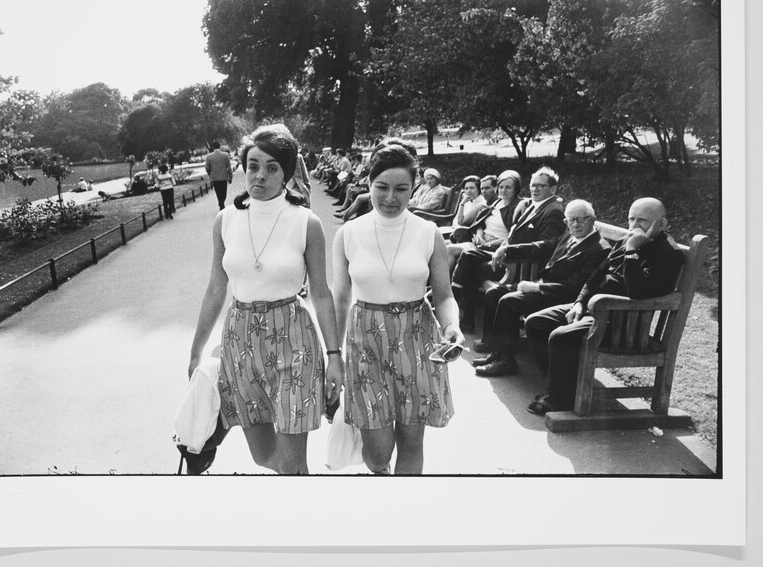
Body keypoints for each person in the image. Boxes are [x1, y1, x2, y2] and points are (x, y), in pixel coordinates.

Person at [187, 124, 342, 474]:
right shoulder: (225, 220)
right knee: (263, 456)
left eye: (272, 168)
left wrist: (335, 356)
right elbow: (215, 289)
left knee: (293, 460)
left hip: (293, 340)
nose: (260, 175)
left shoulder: (306, 222)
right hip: (240, 340)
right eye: (253, 165)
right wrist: (196, 350)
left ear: (287, 174)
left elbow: (321, 292)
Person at [331, 141, 462, 475]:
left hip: (416, 338)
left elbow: (444, 295)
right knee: (377, 451)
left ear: (413, 188)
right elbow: (340, 299)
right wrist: (333, 353)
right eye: (382, 188)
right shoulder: (348, 234)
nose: (391, 198)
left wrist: (453, 327)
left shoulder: (428, 233)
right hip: (365, 343)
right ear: (369, 184)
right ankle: (380, 472)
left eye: (401, 189)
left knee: (411, 441)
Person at [523, 197, 684, 415]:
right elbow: (595, 276)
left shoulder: (667, 254)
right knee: (536, 323)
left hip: (623, 324)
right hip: (596, 309)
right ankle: (563, 384)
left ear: (662, 224)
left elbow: (637, 292)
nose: (635, 226)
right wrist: (579, 303)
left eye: (643, 221)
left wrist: (632, 251)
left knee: (560, 336)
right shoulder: (627, 240)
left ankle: (559, 399)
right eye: (631, 219)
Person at [472, 199, 611, 377]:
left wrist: (536, 288)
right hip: (544, 286)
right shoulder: (569, 234)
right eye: (571, 220)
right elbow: (543, 246)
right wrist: (507, 250)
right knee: (493, 293)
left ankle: (506, 361)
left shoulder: (600, 249)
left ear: (593, 219)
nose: (575, 224)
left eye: (581, 219)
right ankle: (498, 351)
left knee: (508, 302)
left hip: (562, 297)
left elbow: (576, 287)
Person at [449, 169, 531, 330]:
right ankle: (465, 320)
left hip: (500, 252)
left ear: (516, 189)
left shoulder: (519, 207)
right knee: (469, 265)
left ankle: (455, 299)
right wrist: (479, 235)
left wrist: (487, 245)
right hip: (482, 246)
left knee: (468, 258)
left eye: (508, 187)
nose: (503, 191)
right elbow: (480, 223)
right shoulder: (496, 203)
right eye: (501, 187)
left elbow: (513, 237)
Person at [205, 141, 233, 210]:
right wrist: (230, 176)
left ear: (213, 147)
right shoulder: (225, 155)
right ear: (219, 146)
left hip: (214, 178)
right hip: (223, 177)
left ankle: (221, 203)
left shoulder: (209, 156)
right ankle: (221, 203)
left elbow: (207, 168)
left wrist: (210, 174)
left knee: (218, 192)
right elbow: (229, 167)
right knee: (224, 192)